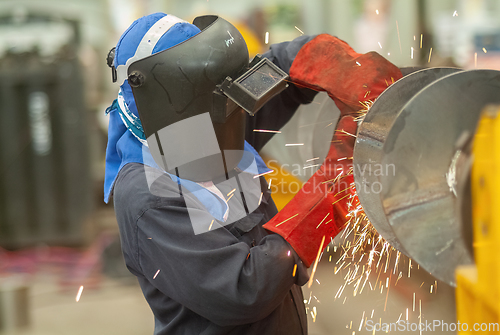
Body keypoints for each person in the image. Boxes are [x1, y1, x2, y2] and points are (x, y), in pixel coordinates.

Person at [104, 12, 401, 335]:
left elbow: (278, 69)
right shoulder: (148, 196)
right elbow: (246, 289)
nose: (230, 105)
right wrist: (330, 193)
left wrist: (328, 58)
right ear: (177, 99)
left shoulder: (211, 118)